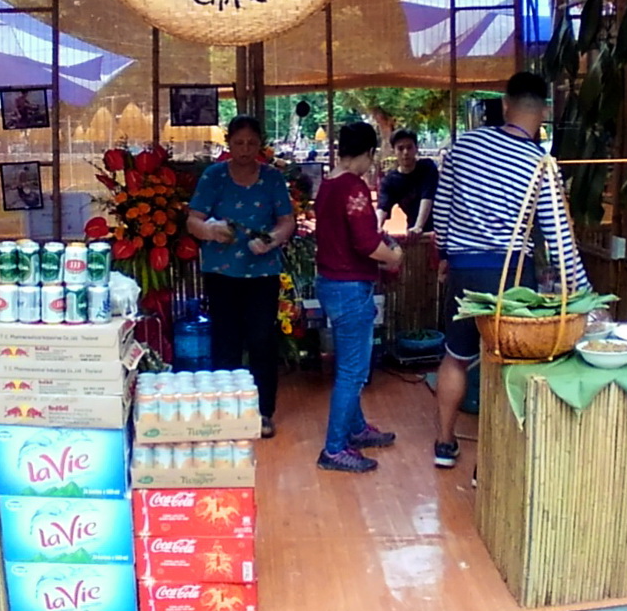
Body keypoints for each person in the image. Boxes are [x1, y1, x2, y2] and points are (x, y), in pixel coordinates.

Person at [428, 72, 589, 469]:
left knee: (455, 357)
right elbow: (559, 238)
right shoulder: (541, 164)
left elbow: (442, 209)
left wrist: (445, 254)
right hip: (512, 276)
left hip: (465, 269)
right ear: (545, 111)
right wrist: (584, 293)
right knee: (508, 366)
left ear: (504, 105)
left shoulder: (463, 146)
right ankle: (489, 464)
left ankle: (444, 445)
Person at [187, 115, 296, 438]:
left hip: (263, 272)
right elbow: (193, 220)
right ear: (228, 143)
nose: (245, 149)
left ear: (261, 144)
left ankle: (263, 412)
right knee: (226, 341)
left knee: (262, 340)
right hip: (221, 273)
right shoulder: (214, 176)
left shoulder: (272, 178)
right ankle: (227, 410)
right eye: (239, 143)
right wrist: (210, 230)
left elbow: (287, 221)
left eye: (251, 143)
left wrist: (272, 239)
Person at [313, 122, 403, 473]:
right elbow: (366, 243)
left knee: (348, 364)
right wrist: (393, 256)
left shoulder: (327, 184)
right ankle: (334, 449)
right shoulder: (353, 186)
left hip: (330, 282)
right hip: (351, 287)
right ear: (368, 152)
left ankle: (356, 428)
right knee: (352, 372)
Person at [377, 128, 438, 236]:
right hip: (413, 232)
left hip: (438, 228)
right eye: (400, 148)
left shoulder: (428, 168)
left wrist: (419, 226)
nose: (405, 152)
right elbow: (383, 206)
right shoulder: (389, 181)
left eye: (409, 147)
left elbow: (427, 197)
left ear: (416, 148)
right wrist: (377, 227)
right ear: (394, 151)